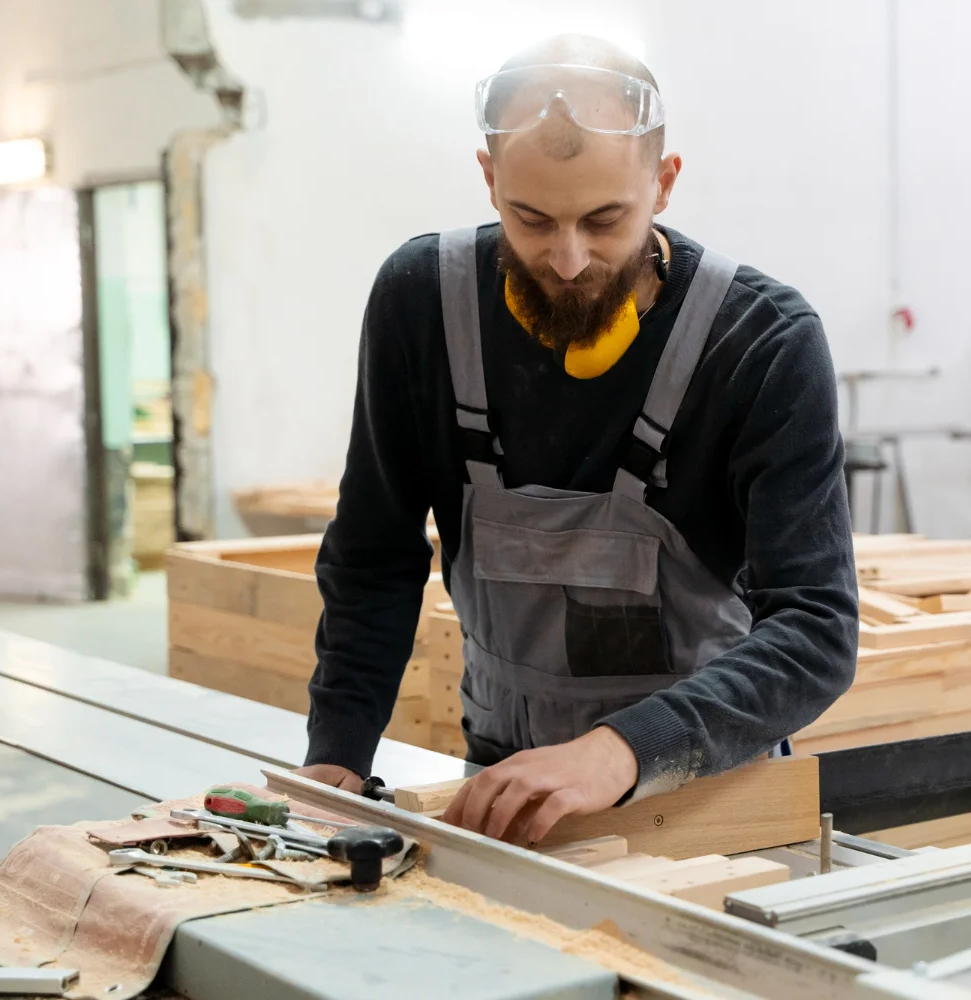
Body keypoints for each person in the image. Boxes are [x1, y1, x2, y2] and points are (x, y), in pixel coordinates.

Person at [295, 34, 857, 846]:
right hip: (506, 790)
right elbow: (372, 557)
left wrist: (621, 750)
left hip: (705, 798)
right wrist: (338, 755)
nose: (566, 260)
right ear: (490, 178)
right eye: (531, 219)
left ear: (663, 183)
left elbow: (816, 629)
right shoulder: (421, 305)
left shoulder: (762, 345)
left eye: (604, 220)